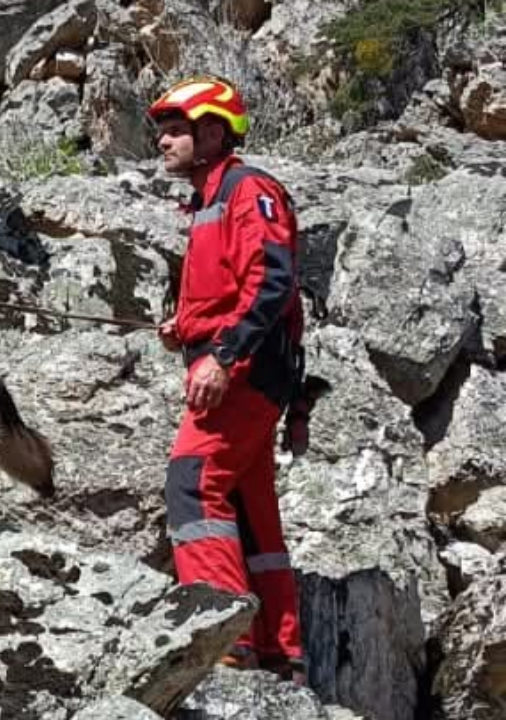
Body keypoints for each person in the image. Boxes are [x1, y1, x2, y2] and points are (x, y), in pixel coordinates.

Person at [146, 75, 308, 685]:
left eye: (176, 129)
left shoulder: (247, 190)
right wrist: (184, 326)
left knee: (193, 481)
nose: (163, 140)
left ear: (213, 131)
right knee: (248, 507)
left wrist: (221, 357)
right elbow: (233, 289)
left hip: (243, 373)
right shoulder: (212, 198)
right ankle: (279, 651)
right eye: (162, 129)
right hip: (246, 369)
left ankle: (224, 633)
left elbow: (271, 282)